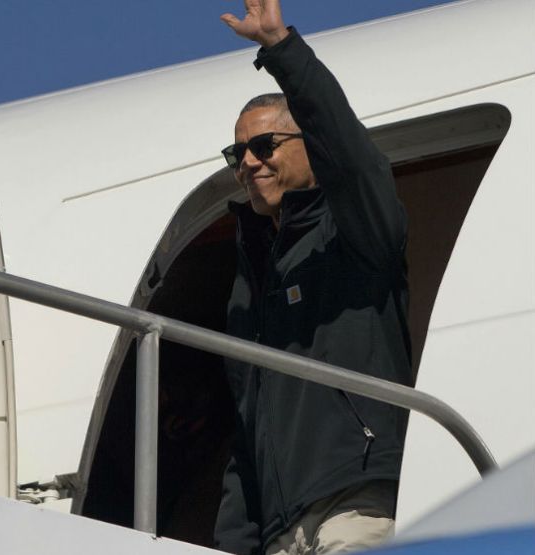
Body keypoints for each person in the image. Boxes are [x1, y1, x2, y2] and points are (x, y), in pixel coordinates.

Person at [213, 1, 413, 554]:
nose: (249, 163)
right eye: (238, 152)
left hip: (355, 500)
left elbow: (350, 156)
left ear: (307, 147)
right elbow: (247, 433)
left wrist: (282, 51)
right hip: (281, 530)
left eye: (264, 145)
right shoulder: (251, 279)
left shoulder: (355, 234)